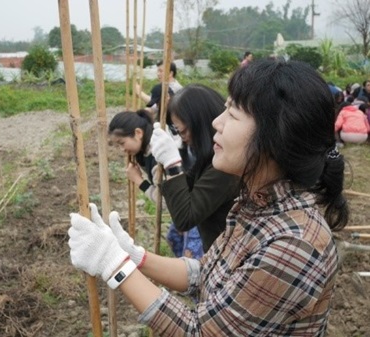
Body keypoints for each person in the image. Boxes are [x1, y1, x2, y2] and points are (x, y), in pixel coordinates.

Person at [68, 59, 348, 336]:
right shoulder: (255, 204)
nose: (217, 122)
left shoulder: (293, 244)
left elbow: (198, 331)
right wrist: (134, 257)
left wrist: (114, 265)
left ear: (276, 136)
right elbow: (205, 273)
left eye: (234, 114)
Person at [150, 84, 238, 252]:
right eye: (177, 132)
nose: (183, 138)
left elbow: (184, 218)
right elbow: (188, 185)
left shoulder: (225, 167)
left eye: (182, 131)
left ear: (200, 124)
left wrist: (173, 166)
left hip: (228, 257)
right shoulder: (210, 158)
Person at [108, 109, 203, 259]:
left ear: (138, 133)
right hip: (188, 204)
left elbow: (165, 201)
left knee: (192, 258)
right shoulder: (151, 144)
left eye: (122, 143)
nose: (122, 150)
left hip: (197, 209)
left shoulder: (158, 158)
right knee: (174, 238)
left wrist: (139, 181)